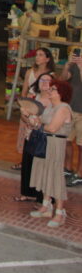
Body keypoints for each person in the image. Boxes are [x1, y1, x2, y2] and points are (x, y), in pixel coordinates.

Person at [29, 79, 73, 227]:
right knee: (45, 172)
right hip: (45, 142)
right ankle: (46, 206)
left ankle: (60, 212)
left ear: (61, 92)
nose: (49, 91)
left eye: (53, 89)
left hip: (55, 143)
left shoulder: (63, 108)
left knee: (55, 175)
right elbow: (40, 122)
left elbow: (53, 128)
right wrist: (33, 119)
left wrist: (38, 124)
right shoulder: (50, 107)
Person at [14, 48, 55, 170]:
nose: (37, 57)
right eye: (37, 55)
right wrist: (22, 103)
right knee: (24, 132)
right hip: (29, 104)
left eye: (41, 55)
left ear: (47, 59)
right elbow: (25, 89)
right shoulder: (30, 72)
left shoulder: (51, 75)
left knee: (36, 131)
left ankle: (35, 160)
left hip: (41, 105)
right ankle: (24, 160)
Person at [16, 73, 53, 202]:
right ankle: (26, 192)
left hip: (45, 137)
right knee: (27, 163)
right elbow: (24, 118)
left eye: (48, 80)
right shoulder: (33, 97)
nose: (45, 82)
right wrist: (25, 115)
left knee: (42, 167)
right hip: (30, 134)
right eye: (42, 80)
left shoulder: (54, 100)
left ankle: (42, 197)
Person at [61, 52, 82, 187]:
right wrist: (67, 65)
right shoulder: (74, 64)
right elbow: (63, 79)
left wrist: (80, 68)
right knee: (66, 140)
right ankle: (67, 168)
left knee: (81, 145)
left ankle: (80, 173)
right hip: (71, 109)